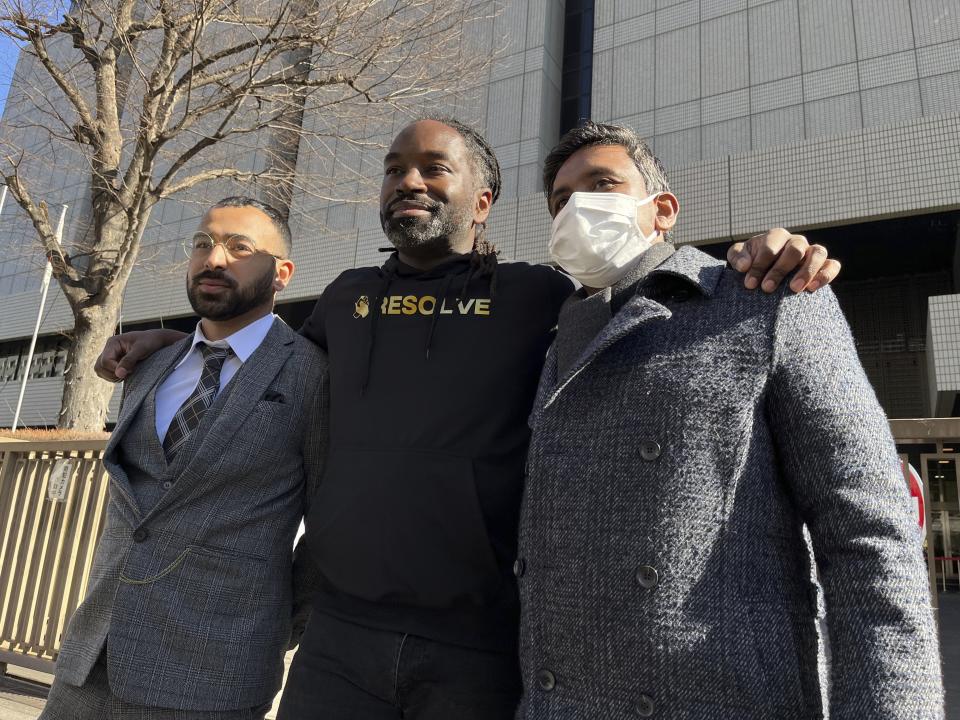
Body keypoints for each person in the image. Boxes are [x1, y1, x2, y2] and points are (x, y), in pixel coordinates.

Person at [94, 119, 841, 720]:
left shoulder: (543, 296)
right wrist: (173, 338)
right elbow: (266, 359)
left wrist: (760, 254)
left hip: (481, 644)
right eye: (393, 168)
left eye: (432, 168)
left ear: (482, 201)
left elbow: (646, 289)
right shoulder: (343, 299)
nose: (407, 180)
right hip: (337, 638)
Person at [515, 120, 943, 720]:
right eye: (560, 200)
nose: (576, 208)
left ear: (661, 209)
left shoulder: (764, 295)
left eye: (602, 184)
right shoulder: (545, 344)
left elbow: (867, 530)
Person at [42, 197, 328, 720]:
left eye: (239, 248)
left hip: (217, 671)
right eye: (202, 244)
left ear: (281, 273)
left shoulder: (314, 376)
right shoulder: (149, 365)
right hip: (92, 656)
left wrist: (269, 624)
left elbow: (331, 523)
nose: (214, 259)